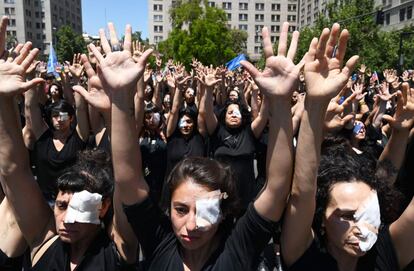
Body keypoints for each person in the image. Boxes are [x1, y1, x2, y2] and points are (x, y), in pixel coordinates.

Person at [110, 21, 301, 270]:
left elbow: (276, 188)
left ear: (222, 211)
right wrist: (121, 97)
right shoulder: (159, 242)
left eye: (205, 211)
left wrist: (280, 102)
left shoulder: (238, 247)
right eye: (180, 209)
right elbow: (127, 178)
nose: (191, 225)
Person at [0, 19, 152, 270]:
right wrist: (3, 102)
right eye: (61, 206)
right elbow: (13, 171)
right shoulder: (44, 240)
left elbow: (128, 180)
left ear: (103, 207)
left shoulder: (118, 249)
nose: (66, 218)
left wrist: (121, 100)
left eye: (79, 206)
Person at [280, 23, 414, 271]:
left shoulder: (385, 253)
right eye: (347, 216)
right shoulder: (304, 256)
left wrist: (400, 134)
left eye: (368, 214)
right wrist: (316, 104)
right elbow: (302, 191)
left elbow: (385, 178)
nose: (361, 227)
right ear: (321, 219)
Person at [198, 66, 269, 209]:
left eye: (237, 112)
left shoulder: (250, 132)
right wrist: (209, 89)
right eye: (230, 112)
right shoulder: (217, 131)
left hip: (247, 196)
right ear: (224, 116)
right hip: (220, 195)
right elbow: (207, 112)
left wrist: (262, 92)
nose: (234, 115)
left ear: (243, 117)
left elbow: (263, 115)